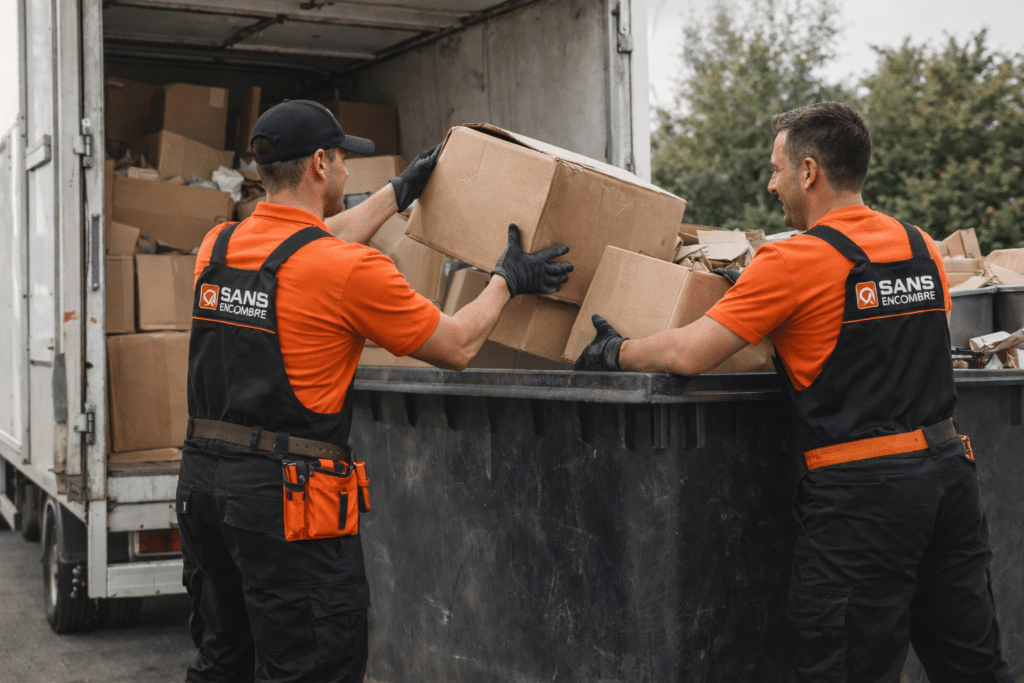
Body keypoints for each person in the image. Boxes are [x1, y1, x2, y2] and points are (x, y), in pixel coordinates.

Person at [575, 102, 1012, 683]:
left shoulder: (792, 260)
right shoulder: (920, 246)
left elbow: (688, 355)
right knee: (973, 667)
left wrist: (616, 351)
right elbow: (887, 333)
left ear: (810, 172)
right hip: (949, 482)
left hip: (863, 501)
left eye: (777, 168)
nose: (770, 183)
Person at [176, 99, 573, 683]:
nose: (345, 170)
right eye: (341, 160)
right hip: (287, 504)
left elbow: (303, 246)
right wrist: (507, 281)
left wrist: (398, 192)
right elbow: (457, 346)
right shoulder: (351, 272)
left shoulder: (219, 248)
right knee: (310, 669)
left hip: (205, 490)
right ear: (318, 164)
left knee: (223, 664)